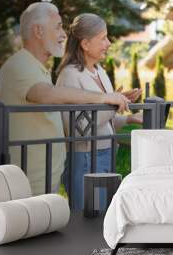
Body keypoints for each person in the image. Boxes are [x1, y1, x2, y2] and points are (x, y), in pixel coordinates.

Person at [0, 2, 130, 195]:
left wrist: (123, 111)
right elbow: (49, 97)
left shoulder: (37, 68)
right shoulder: (20, 66)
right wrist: (106, 100)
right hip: (28, 180)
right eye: (57, 26)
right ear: (38, 31)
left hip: (43, 177)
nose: (64, 34)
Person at [56, 13, 142, 209]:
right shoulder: (69, 76)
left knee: (105, 215)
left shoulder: (99, 72)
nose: (109, 43)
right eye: (103, 38)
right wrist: (113, 104)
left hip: (106, 153)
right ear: (85, 44)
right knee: (88, 216)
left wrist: (129, 119)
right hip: (84, 158)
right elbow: (78, 128)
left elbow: (103, 122)